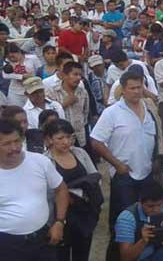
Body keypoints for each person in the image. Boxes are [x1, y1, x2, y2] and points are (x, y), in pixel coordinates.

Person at [90, 71, 162, 242]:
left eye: (140, 87)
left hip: (147, 174)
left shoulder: (149, 108)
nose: (137, 91)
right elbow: (96, 141)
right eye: (132, 88)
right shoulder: (112, 113)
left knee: (147, 220)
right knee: (124, 222)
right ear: (123, 89)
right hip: (124, 176)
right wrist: (117, 165)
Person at [0, 118, 69, 261]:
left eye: (17, 141)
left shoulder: (40, 161)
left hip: (43, 238)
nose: (15, 148)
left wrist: (59, 222)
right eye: (7, 143)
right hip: (7, 245)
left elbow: (61, 190)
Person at [44, 119, 101, 261]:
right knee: (60, 255)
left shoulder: (80, 153)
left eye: (69, 137)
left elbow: (94, 177)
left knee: (82, 253)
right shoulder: (45, 161)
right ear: (50, 139)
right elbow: (45, 192)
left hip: (83, 214)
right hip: (58, 218)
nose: (66, 142)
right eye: (60, 138)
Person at [114, 179, 163, 261]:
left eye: (159, 205)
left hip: (158, 250)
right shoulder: (127, 218)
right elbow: (125, 258)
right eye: (150, 206)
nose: (156, 210)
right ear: (140, 202)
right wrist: (143, 240)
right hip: (140, 255)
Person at [47, 62, 90, 150]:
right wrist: (63, 104)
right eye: (75, 74)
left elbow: (85, 114)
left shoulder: (83, 92)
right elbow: (49, 116)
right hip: (59, 139)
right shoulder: (52, 92)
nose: (78, 78)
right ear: (64, 75)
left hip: (79, 137)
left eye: (80, 75)